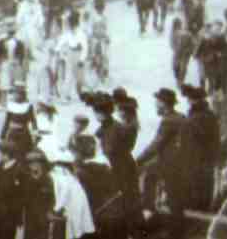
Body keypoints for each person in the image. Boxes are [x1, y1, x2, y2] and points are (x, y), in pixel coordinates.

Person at [136, 88, 187, 239]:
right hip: (178, 162)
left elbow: (156, 144)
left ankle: (150, 213)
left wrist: (138, 160)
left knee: (169, 194)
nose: (155, 106)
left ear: (164, 104)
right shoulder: (180, 116)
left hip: (171, 164)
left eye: (157, 103)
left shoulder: (168, 121)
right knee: (173, 197)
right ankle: (174, 228)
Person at [91, 95, 141, 238]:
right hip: (120, 168)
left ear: (103, 113)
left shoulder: (115, 129)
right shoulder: (107, 127)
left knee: (121, 206)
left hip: (120, 171)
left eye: (96, 112)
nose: (95, 115)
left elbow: (110, 152)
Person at [70, 135, 123, 239]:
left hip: (97, 217)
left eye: (75, 151)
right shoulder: (102, 167)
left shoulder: (86, 169)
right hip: (107, 215)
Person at [181, 84, 220, 211]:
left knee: (195, 190)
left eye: (190, 99)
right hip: (206, 160)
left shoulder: (194, 118)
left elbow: (191, 140)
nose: (188, 101)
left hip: (195, 160)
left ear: (194, 100)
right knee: (204, 189)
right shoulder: (210, 116)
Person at [0, 140, 28, 239]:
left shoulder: (19, 171)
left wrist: (19, 217)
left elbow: (22, 196)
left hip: (10, 215)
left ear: (6, 154)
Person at [23, 151, 56, 239]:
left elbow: (51, 197)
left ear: (41, 164)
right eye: (30, 163)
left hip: (43, 215)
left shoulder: (47, 179)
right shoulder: (27, 178)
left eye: (36, 162)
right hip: (29, 215)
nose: (33, 165)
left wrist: (50, 210)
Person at [57, 11, 88, 102]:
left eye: (73, 24)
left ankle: (80, 93)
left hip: (79, 54)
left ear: (77, 24)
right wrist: (57, 51)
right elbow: (61, 43)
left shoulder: (81, 33)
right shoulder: (67, 33)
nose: (71, 26)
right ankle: (66, 95)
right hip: (70, 54)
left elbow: (85, 47)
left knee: (80, 78)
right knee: (68, 76)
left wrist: (82, 59)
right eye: (70, 24)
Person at [1, 82, 38, 153]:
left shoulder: (28, 106)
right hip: (12, 133)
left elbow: (33, 120)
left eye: (20, 93)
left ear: (24, 95)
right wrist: (2, 135)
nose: (17, 95)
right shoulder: (11, 106)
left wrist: (35, 132)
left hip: (24, 133)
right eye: (16, 93)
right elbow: (7, 121)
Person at [90, 0, 110, 86]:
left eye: (101, 8)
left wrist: (107, 36)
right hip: (95, 38)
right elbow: (91, 30)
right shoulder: (93, 18)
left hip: (102, 38)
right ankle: (98, 69)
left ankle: (104, 71)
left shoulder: (105, 17)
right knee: (96, 55)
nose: (100, 10)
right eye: (99, 8)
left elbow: (105, 29)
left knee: (105, 56)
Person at [170, 18, 194, 88]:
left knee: (183, 68)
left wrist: (188, 51)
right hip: (177, 53)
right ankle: (178, 79)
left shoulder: (188, 34)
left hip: (185, 54)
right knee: (175, 67)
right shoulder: (174, 33)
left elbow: (192, 45)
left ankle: (181, 81)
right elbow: (172, 43)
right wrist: (175, 48)